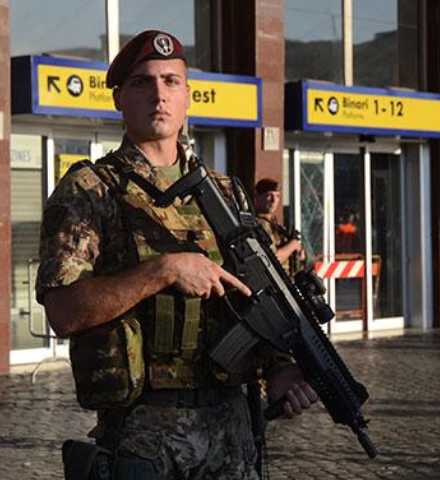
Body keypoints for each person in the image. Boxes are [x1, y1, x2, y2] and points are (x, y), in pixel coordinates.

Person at [36, 30, 318, 479]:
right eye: (142, 83)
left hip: (234, 433)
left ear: (188, 97)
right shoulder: (91, 191)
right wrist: (163, 270)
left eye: (171, 82)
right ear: (118, 100)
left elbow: (257, 298)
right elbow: (64, 312)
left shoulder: (227, 194)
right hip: (145, 435)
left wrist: (280, 371)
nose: (158, 95)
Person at [254, 178, 305, 274]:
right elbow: (273, 259)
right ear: (257, 196)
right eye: (269, 195)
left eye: (277, 196)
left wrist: (299, 251)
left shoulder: (275, 225)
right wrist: (293, 244)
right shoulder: (258, 224)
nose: (274, 200)